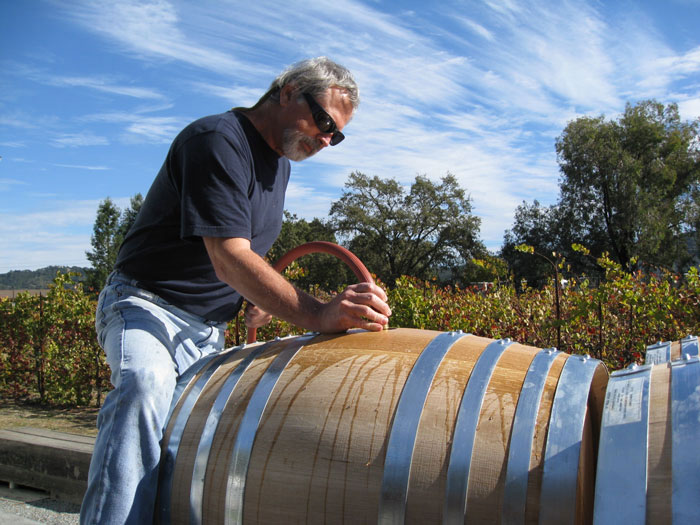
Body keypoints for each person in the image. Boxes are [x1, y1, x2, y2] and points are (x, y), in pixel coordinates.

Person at [80, 56, 392, 524]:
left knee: (202, 439)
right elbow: (229, 257)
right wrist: (319, 313)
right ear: (287, 91)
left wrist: (256, 300)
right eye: (325, 121)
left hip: (207, 332)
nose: (327, 139)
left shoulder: (279, 165)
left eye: (337, 134)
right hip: (146, 306)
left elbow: (243, 259)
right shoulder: (215, 141)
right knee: (142, 391)